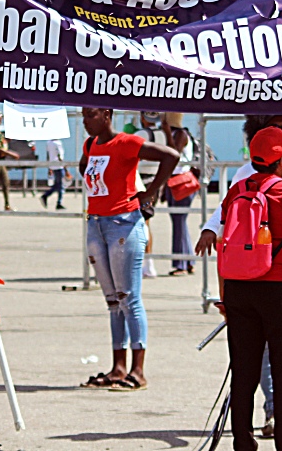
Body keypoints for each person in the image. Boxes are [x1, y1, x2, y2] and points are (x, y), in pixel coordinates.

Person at [196, 112, 282, 438]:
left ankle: (243, 442)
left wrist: (224, 297)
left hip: (238, 290)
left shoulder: (236, 191)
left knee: (243, 371)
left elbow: (225, 245)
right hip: (280, 289)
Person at [78, 107, 178, 391]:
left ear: (107, 115)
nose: (86, 121)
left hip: (123, 223)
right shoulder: (91, 144)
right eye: (83, 116)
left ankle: (138, 370)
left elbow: (170, 156)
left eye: (91, 115)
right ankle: (118, 367)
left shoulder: (126, 142)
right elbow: (85, 166)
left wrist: (152, 190)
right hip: (96, 224)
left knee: (129, 298)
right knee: (113, 300)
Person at [132, 111, 167, 279]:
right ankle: (149, 262)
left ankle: (142, 263)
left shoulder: (140, 135)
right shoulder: (162, 135)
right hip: (156, 179)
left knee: (139, 222)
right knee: (147, 221)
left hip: (141, 179)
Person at [164, 112, 197, 276]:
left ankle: (181, 263)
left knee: (179, 221)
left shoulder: (181, 134)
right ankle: (188, 260)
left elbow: (173, 153)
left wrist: (167, 134)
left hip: (180, 180)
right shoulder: (181, 133)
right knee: (180, 221)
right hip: (175, 180)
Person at [40, 138, 70, 210]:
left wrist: (49, 167)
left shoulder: (48, 143)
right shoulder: (58, 143)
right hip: (59, 166)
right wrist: (65, 168)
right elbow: (60, 156)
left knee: (58, 184)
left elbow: (48, 156)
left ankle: (52, 198)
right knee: (60, 185)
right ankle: (56, 201)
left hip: (53, 165)